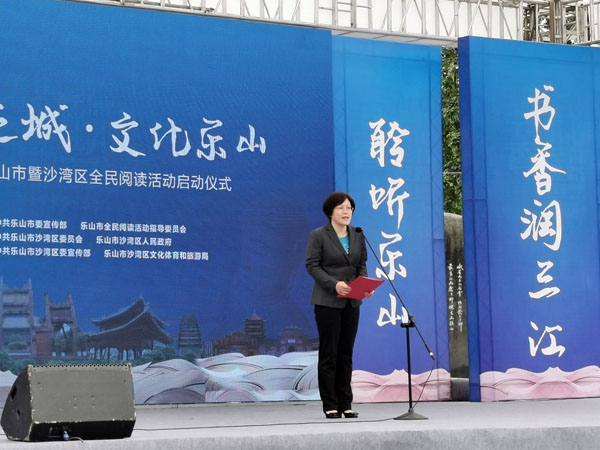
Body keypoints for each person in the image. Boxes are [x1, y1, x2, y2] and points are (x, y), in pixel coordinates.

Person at [305, 192, 373, 419]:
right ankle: (330, 404)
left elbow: (361, 264)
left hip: (352, 302)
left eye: (349, 208)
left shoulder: (358, 234)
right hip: (327, 301)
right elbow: (312, 266)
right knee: (329, 354)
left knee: (346, 353)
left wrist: (365, 285)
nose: (346, 212)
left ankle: (346, 403)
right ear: (330, 212)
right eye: (341, 208)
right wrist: (334, 285)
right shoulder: (318, 235)